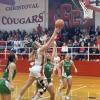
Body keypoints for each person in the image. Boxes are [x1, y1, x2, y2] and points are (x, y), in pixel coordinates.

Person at [16, 26, 63, 100]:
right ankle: (36, 97)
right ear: (37, 45)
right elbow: (48, 43)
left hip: (33, 68)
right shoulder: (40, 49)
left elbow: (47, 47)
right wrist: (55, 32)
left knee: (27, 85)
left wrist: (52, 44)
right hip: (38, 69)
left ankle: (18, 98)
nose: (39, 42)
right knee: (45, 86)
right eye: (37, 42)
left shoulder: (36, 51)